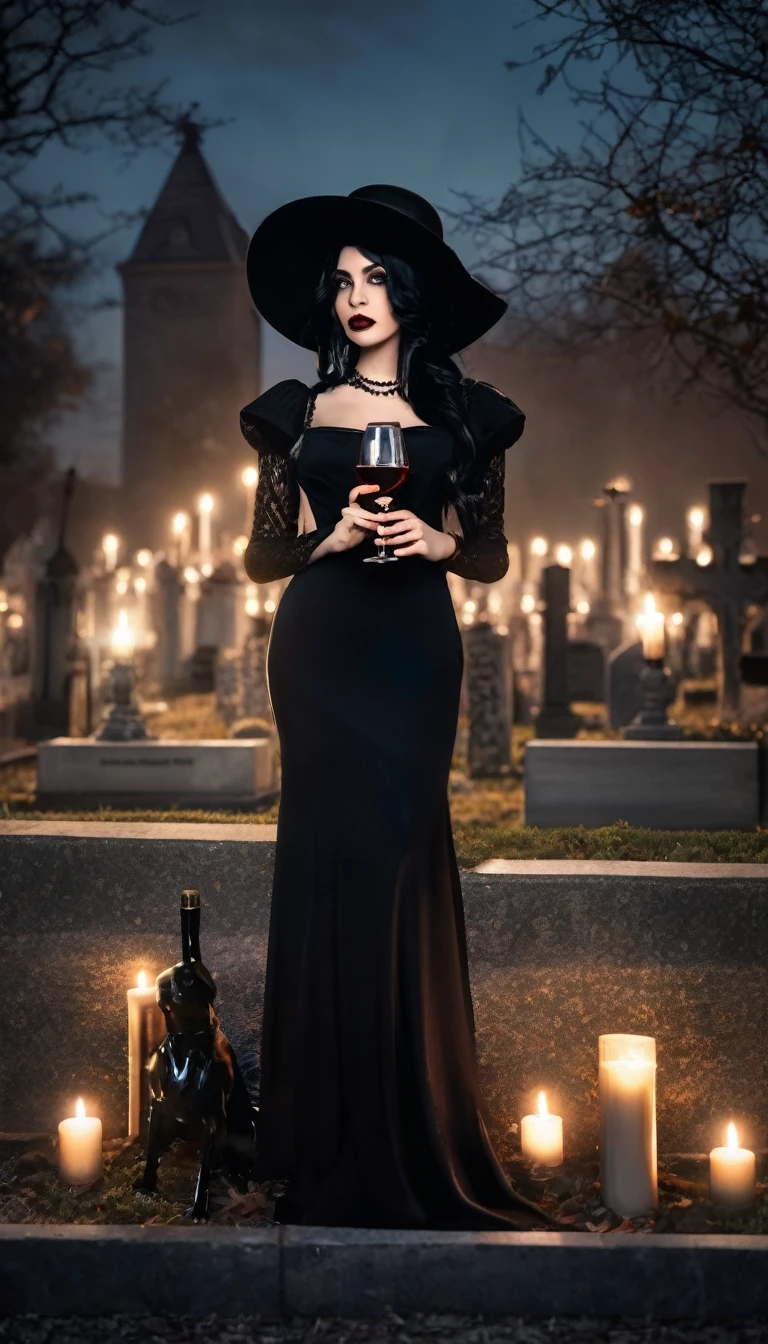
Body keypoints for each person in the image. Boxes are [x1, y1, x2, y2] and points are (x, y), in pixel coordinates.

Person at [240, 184, 547, 1230]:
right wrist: (324, 541)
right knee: (331, 859)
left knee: (402, 854)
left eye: (375, 277)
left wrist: (442, 543)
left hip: (414, 650)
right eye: (342, 280)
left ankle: (410, 1130)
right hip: (323, 644)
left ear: (412, 294)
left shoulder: (467, 417)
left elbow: (495, 556)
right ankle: (327, 1144)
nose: (355, 296)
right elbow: (260, 554)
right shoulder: (297, 411)